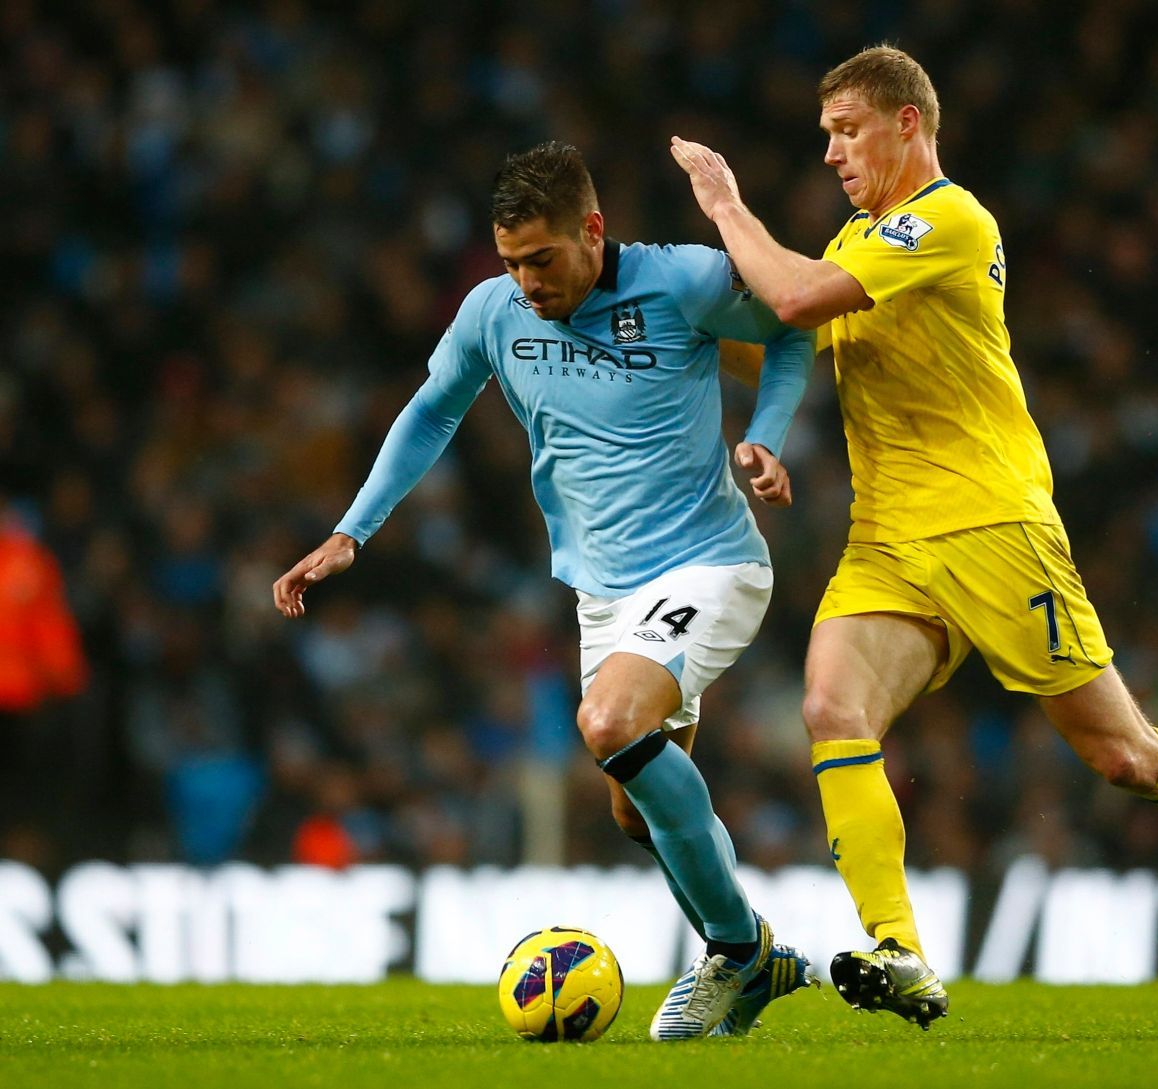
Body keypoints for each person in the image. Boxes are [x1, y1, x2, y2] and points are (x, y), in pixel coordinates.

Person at [670, 45, 1158, 1026]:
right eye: (824, 137)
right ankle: (900, 952)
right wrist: (666, 333)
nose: (831, 154)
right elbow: (789, 338)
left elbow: (796, 299)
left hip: (992, 524)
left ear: (909, 123)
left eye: (846, 131)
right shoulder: (865, 237)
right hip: (889, 537)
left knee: (1124, 757)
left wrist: (725, 206)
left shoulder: (949, 217)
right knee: (830, 707)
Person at [273, 142, 814, 1039]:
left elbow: (792, 329)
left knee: (608, 724)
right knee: (632, 809)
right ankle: (755, 955)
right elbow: (432, 408)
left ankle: (736, 950)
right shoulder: (492, 312)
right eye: (511, 261)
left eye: (542, 259)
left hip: (708, 562)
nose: (526, 281)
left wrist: (766, 433)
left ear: (592, 232)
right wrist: (349, 532)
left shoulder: (682, 282)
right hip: (603, 596)